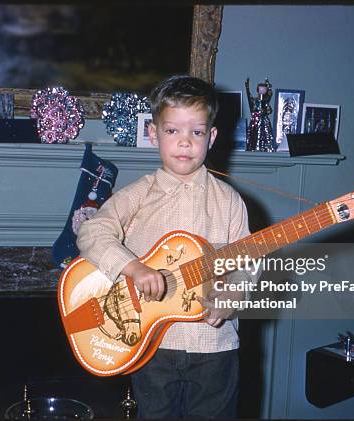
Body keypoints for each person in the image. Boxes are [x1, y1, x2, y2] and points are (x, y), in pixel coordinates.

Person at [77, 75, 258, 419]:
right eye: (173, 131)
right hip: (152, 347)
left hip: (215, 348)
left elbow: (247, 264)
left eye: (197, 132)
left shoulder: (231, 202)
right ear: (153, 134)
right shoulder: (138, 194)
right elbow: (91, 232)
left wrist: (232, 298)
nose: (185, 143)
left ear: (213, 137)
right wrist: (133, 267)